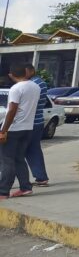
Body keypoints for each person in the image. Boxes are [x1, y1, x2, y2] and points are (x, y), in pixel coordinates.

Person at [0, 64, 42, 200]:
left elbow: (12, 110)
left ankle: (3, 191)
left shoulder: (16, 88)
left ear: (11, 75)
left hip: (13, 128)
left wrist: (4, 130)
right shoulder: (35, 86)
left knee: (7, 160)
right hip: (28, 128)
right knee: (19, 158)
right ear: (26, 72)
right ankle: (25, 187)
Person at [24, 64, 49, 187]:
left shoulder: (34, 84)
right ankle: (41, 177)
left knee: (15, 153)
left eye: (25, 71)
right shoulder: (38, 82)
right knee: (33, 150)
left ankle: (10, 181)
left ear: (31, 71)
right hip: (37, 121)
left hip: (31, 122)